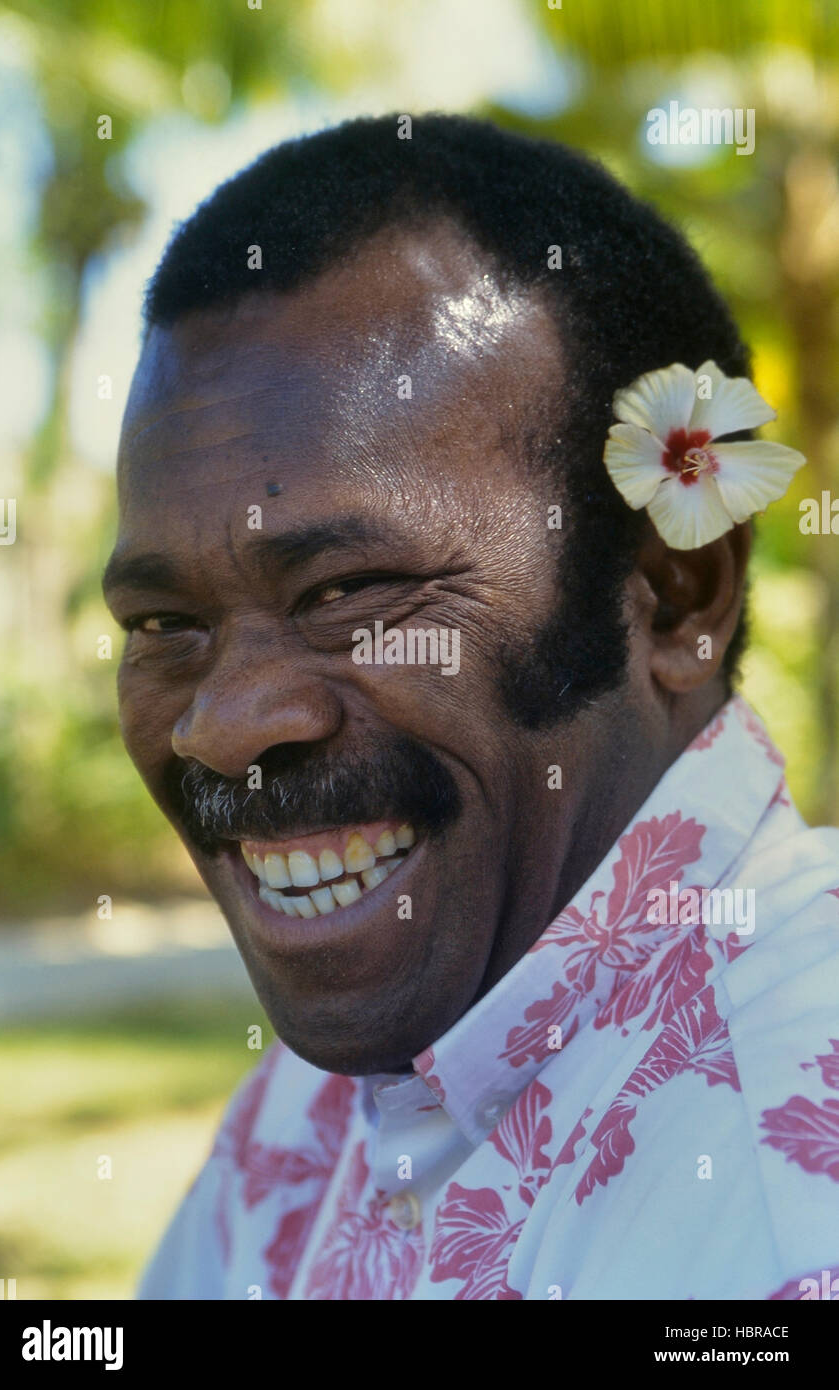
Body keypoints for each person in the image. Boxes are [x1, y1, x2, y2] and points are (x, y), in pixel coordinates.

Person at [102, 114, 839, 1300]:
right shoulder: (307, 1114)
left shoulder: (787, 1192)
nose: (222, 723)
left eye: (347, 592)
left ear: (673, 592)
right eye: (163, 627)